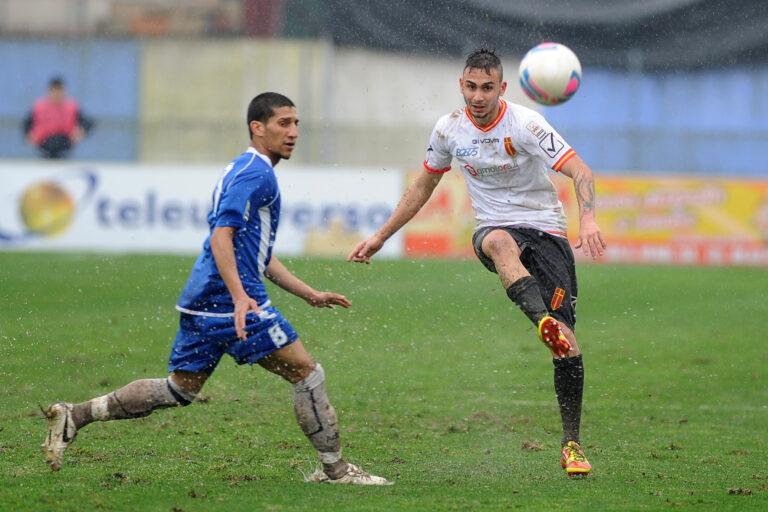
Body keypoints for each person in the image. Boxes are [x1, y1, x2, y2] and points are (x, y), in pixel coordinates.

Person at [42, 92, 391, 486]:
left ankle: (76, 414)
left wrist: (307, 292)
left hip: (203, 300)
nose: (293, 132)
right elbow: (222, 236)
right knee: (307, 374)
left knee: (179, 389)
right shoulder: (256, 175)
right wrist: (242, 296)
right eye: (283, 124)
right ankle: (336, 471)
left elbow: (253, 251)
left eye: (297, 124)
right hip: (233, 303)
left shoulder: (242, 169)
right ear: (257, 128)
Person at [348, 48, 607, 476]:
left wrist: (590, 217)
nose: (478, 95)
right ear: (461, 85)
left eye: (487, 87)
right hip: (495, 228)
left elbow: (580, 170)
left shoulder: (526, 124)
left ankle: (572, 444)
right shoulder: (449, 129)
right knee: (500, 243)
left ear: (502, 88)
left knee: (568, 344)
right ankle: (540, 320)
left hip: (548, 233)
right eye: (471, 86)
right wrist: (380, 236)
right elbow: (422, 187)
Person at [23, 76, 94, 159]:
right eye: (54, 90)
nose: (57, 94)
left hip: (65, 145)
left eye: (59, 90)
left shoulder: (72, 107)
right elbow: (26, 124)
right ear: (49, 91)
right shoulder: (39, 107)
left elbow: (88, 122)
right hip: (44, 146)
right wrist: (29, 135)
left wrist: (81, 131)